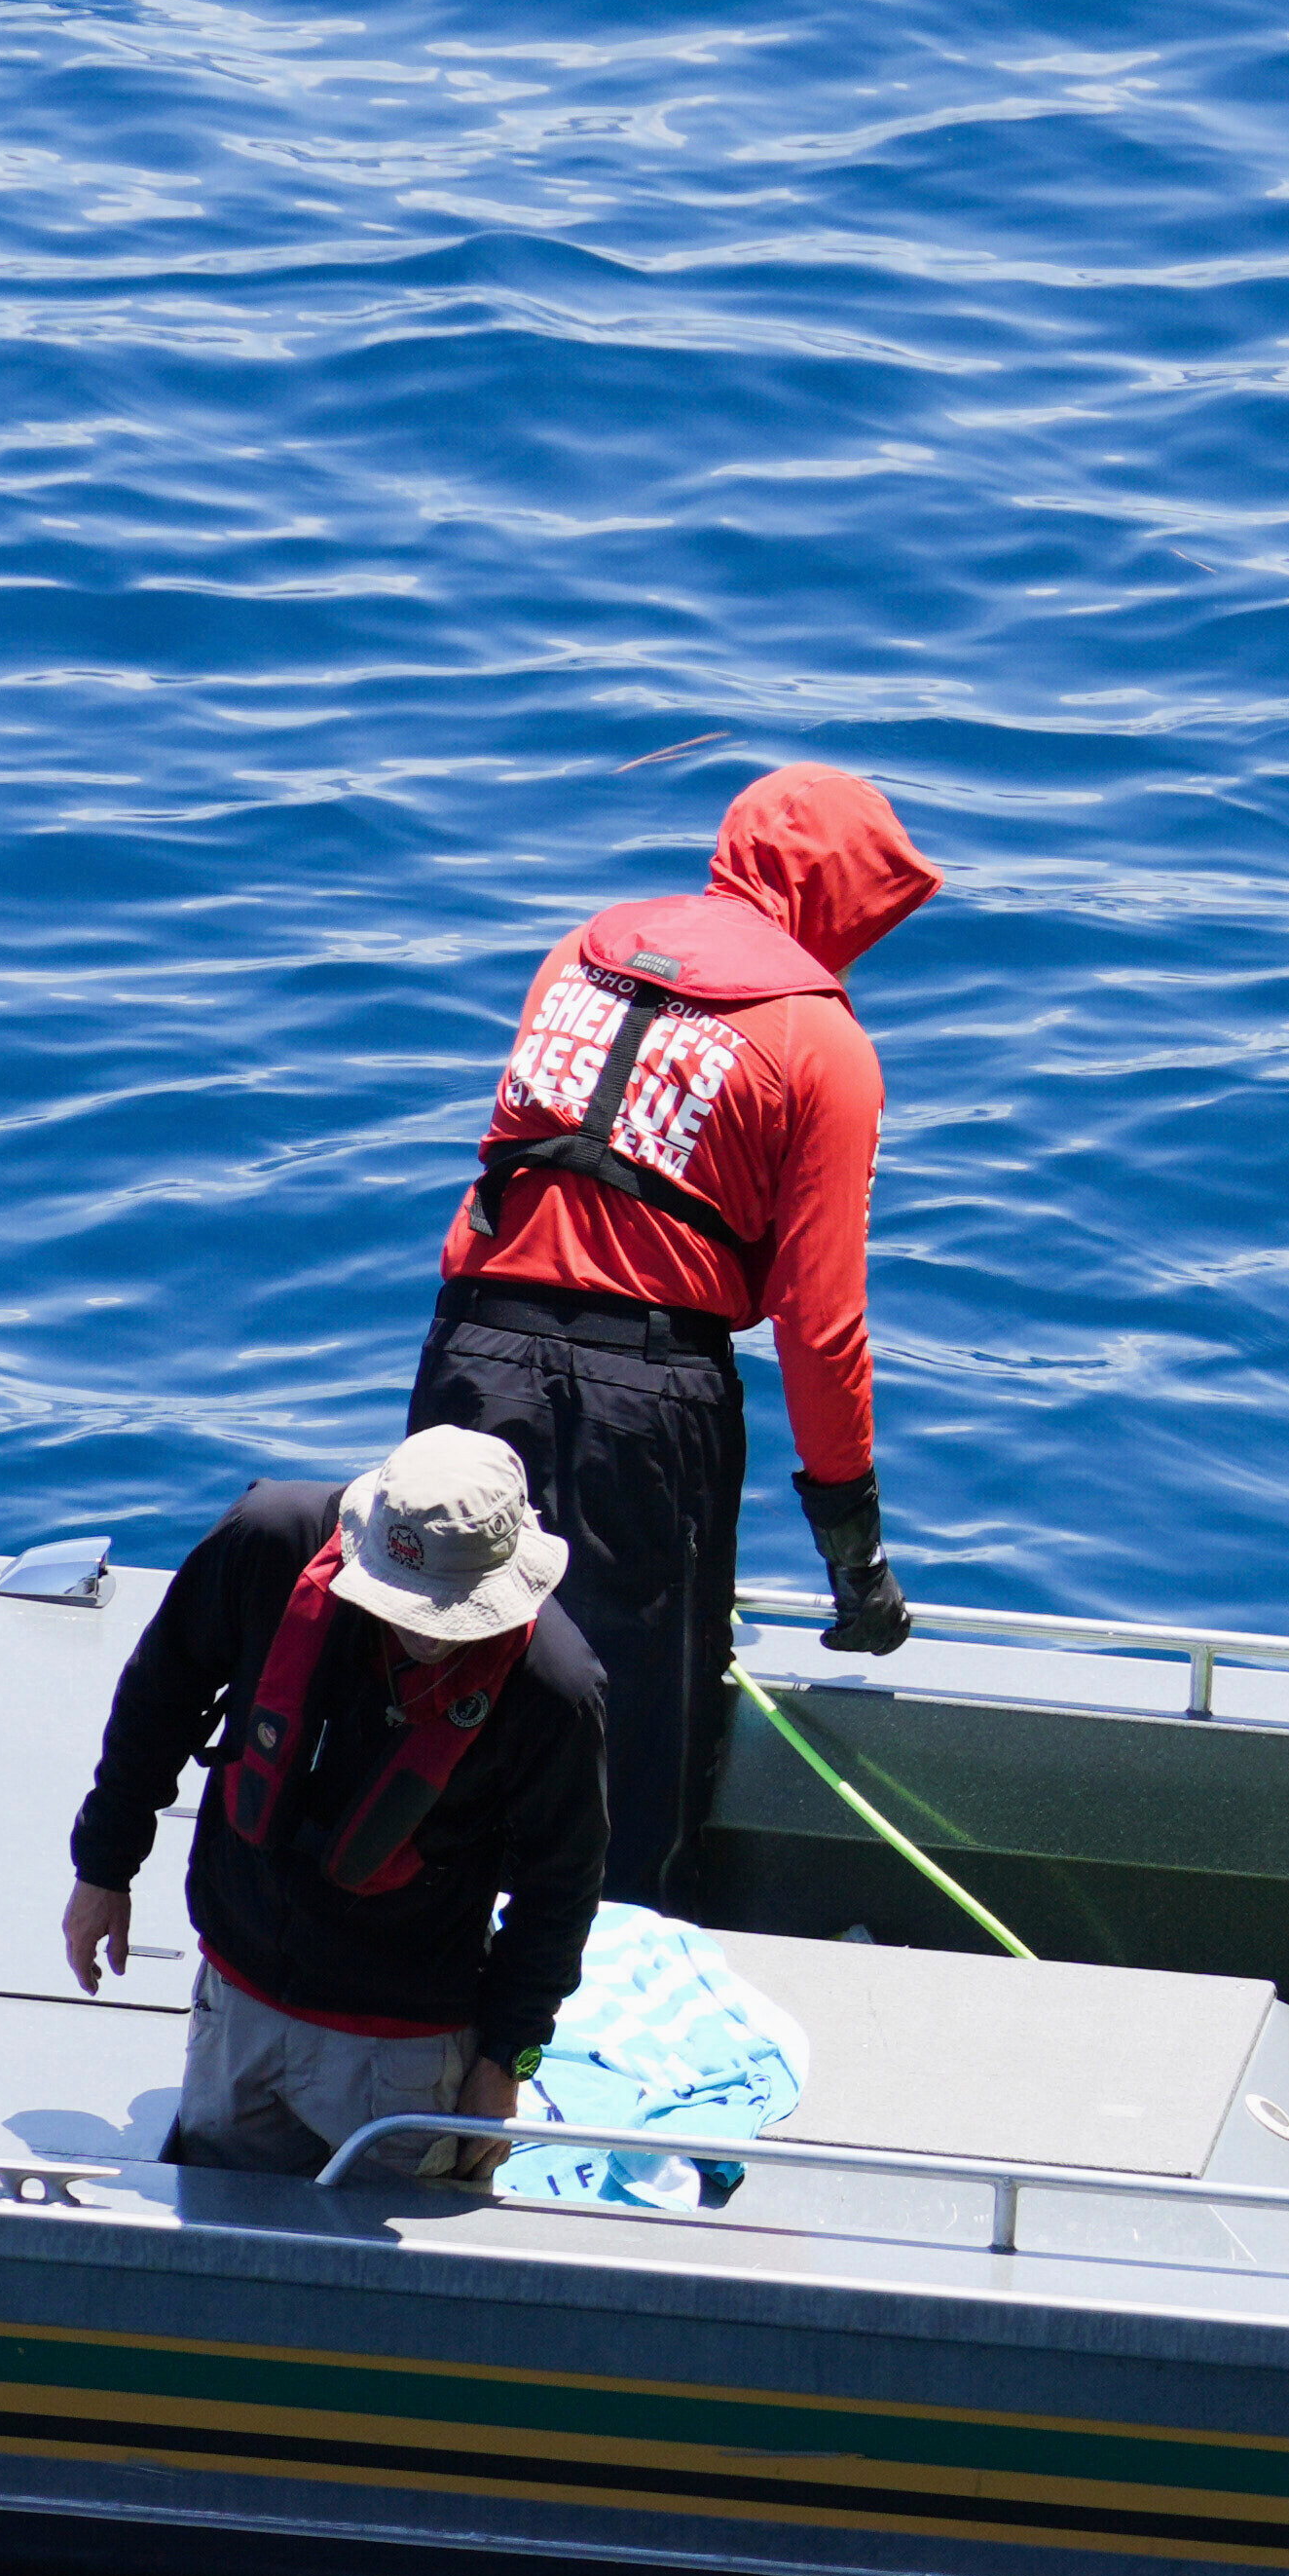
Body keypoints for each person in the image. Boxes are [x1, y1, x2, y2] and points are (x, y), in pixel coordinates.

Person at [413, 763, 939, 1898]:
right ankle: (590, 2019)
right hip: (644, 1405)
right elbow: (820, 1318)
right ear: (836, 892)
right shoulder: (821, 1044)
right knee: (633, 1735)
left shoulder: (579, 954)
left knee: (435, 1675)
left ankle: (403, 1990)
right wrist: (857, 1559)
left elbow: (496, 1184)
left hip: (469, 1348)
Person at [65, 1425, 618, 2181]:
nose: (427, 1633)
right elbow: (159, 1697)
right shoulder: (263, 1543)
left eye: (449, 1609)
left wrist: (504, 2061)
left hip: (408, 2046)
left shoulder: (558, 1687)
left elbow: (562, 1887)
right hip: (240, 1999)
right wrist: (104, 1867)